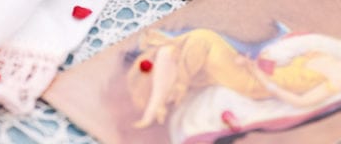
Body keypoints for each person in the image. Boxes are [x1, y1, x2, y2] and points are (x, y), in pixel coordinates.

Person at [127, 25, 341, 131]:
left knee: (201, 39)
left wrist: (256, 72)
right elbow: (284, 59)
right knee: (172, 52)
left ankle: (155, 107)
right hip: (254, 70)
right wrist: (257, 63)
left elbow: (299, 101)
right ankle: (160, 101)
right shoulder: (329, 51)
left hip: (255, 84)